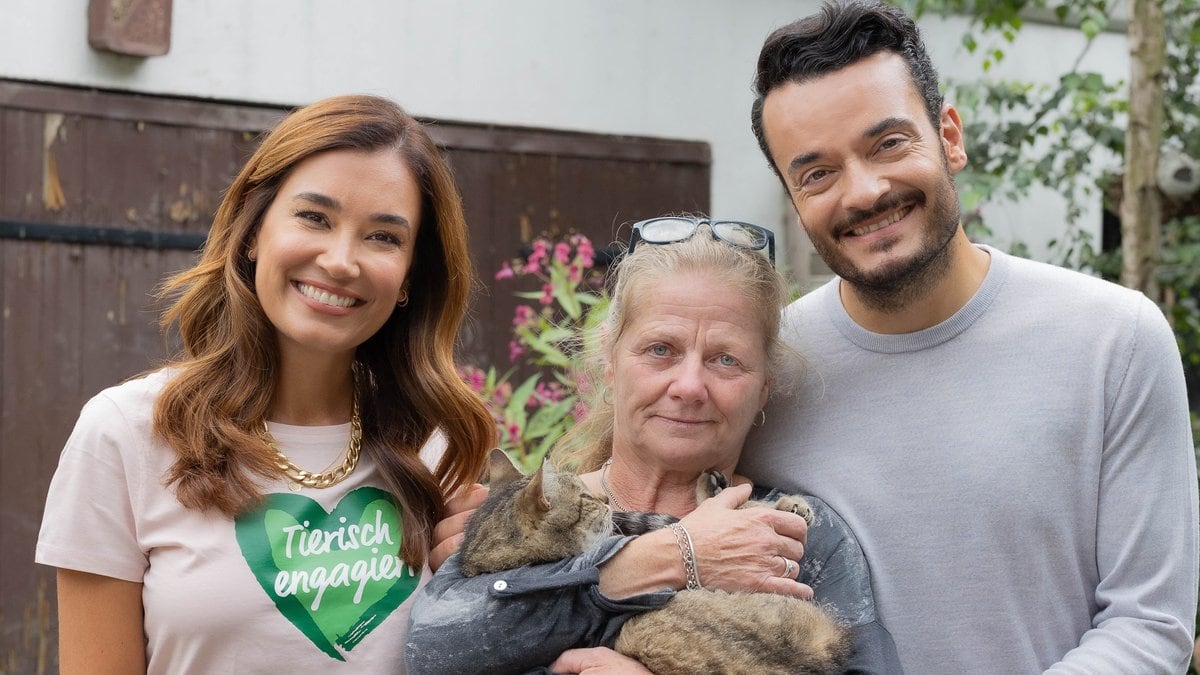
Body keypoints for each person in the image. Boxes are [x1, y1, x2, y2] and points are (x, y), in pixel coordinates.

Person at [740, 2, 1199, 672]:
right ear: (791, 192)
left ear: (949, 135)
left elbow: (1149, 620)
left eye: (888, 144)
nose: (864, 191)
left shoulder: (1114, 340)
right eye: (817, 173)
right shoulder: (765, 372)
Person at [35, 94, 495, 674]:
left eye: (383, 237)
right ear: (253, 233)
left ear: (409, 276)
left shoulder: (436, 450)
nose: (341, 260)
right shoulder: (126, 433)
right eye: (314, 217)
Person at [406, 217, 902, 673]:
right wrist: (650, 563)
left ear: (764, 387)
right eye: (660, 350)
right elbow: (431, 651)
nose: (689, 386)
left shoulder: (797, 532)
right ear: (611, 362)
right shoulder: (539, 514)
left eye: (726, 360)